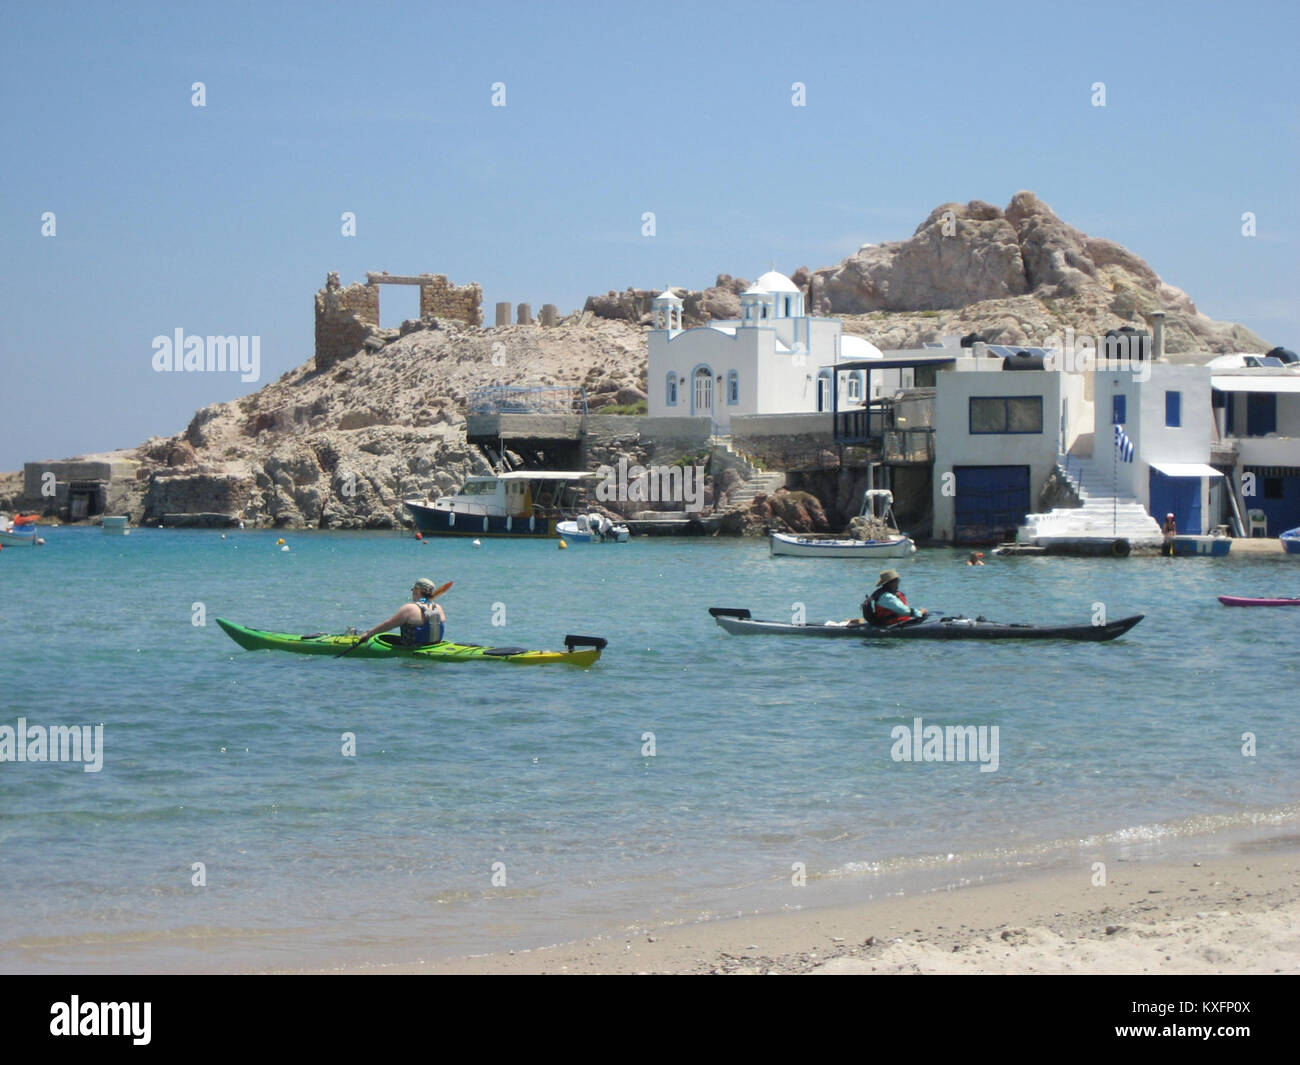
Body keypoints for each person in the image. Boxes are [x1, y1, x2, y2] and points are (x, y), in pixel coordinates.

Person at [357, 578, 447, 647]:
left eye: (413, 590)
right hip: (434, 645)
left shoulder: (410, 608)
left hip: (412, 649)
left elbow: (388, 625)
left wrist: (368, 634)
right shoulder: (438, 608)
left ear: (417, 590)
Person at [862, 569, 928, 627]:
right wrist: (919, 612)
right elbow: (904, 611)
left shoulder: (889, 593)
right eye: (896, 581)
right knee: (922, 615)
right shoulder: (886, 596)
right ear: (890, 583)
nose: (898, 582)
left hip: (899, 623)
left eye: (898, 580)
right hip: (890, 625)